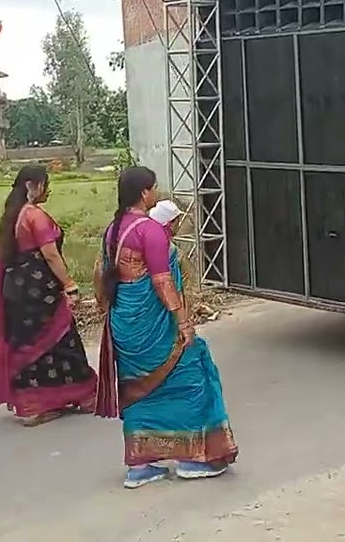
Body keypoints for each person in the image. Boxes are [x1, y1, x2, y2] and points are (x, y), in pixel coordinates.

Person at [94, 167, 238, 489]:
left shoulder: (112, 231)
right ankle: (192, 458)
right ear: (145, 193)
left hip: (124, 325)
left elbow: (102, 277)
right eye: (155, 188)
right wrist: (184, 323)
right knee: (191, 374)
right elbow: (162, 281)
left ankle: (140, 466)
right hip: (155, 327)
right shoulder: (150, 231)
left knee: (136, 391)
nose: (157, 193)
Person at [0, 165, 97, 426]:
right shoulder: (35, 216)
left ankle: (35, 404)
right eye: (45, 184)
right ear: (31, 186)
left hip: (18, 291)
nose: (49, 189)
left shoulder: (12, 216)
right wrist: (69, 284)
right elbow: (50, 254)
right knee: (63, 339)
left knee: (29, 344)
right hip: (42, 292)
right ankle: (80, 395)